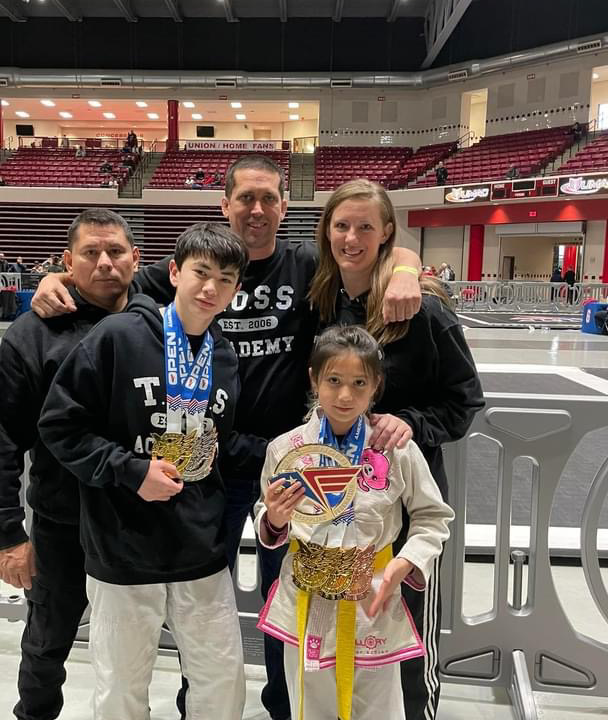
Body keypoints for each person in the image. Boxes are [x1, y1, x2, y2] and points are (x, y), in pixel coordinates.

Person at [29, 154, 424, 720]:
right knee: (130, 672)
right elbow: (105, 275)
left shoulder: (299, 271)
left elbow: (366, 246)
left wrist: (407, 265)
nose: (212, 287)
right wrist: (57, 276)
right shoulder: (131, 326)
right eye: (245, 198)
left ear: (284, 207)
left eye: (268, 199)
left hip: (270, 475)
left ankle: (286, 706)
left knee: (274, 606)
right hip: (153, 512)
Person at [38, 223, 249, 720]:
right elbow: (60, 426)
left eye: (225, 279)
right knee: (121, 688)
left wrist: (292, 456)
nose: (210, 288)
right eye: (200, 273)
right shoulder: (118, 336)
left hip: (199, 545)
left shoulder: (223, 355)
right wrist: (131, 472)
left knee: (222, 681)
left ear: (236, 290)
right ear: (174, 272)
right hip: (122, 543)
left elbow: (222, 441)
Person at [307, 179, 484, 719]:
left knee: (405, 641)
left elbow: (464, 402)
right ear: (327, 232)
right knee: (341, 643)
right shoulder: (322, 301)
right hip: (335, 508)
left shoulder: (423, 310)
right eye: (342, 225)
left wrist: (409, 423)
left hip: (403, 511)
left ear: (387, 232)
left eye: (365, 226)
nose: (352, 237)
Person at [0, 209, 141, 720]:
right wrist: (7, 534)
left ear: (136, 259)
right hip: (62, 520)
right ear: (68, 262)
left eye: (115, 251)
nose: (105, 262)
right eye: (90, 253)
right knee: (46, 643)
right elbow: (0, 440)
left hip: (142, 519)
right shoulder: (32, 334)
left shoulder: (160, 322)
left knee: (146, 646)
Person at [255, 325, 454, 720]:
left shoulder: (395, 449)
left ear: (376, 385)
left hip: (372, 600)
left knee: (380, 710)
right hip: (307, 599)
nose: (345, 395)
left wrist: (407, 561)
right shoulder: (286, 449)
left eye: (359, 383)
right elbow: (267, 513)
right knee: (310, 708)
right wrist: (274, 518)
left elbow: (433, 515)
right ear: (314, 379)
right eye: (333, 380)